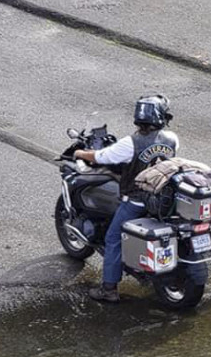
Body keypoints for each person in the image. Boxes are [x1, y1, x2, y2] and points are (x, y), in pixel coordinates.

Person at [75, 95, 178, 303]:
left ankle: (109, 289)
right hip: (161, 200)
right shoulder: (172, 139)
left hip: (136, 201)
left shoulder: (130, 143)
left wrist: (81, 153)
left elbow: (102, 157)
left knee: (112, 238)